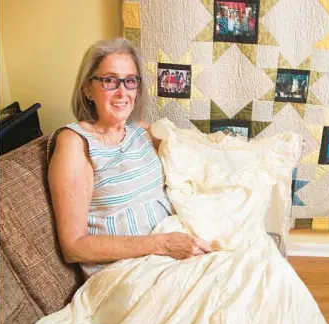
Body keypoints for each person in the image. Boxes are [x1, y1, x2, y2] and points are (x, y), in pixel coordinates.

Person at [47, 38, 212, 279]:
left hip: (173, 256)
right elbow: (74, 246)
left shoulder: (143, 132)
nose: (122, 92)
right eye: (110, 80)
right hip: (127, 273)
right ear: (87, 89)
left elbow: (194, 160)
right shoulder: (75, 142)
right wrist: (163, 244)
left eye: (130, 81)